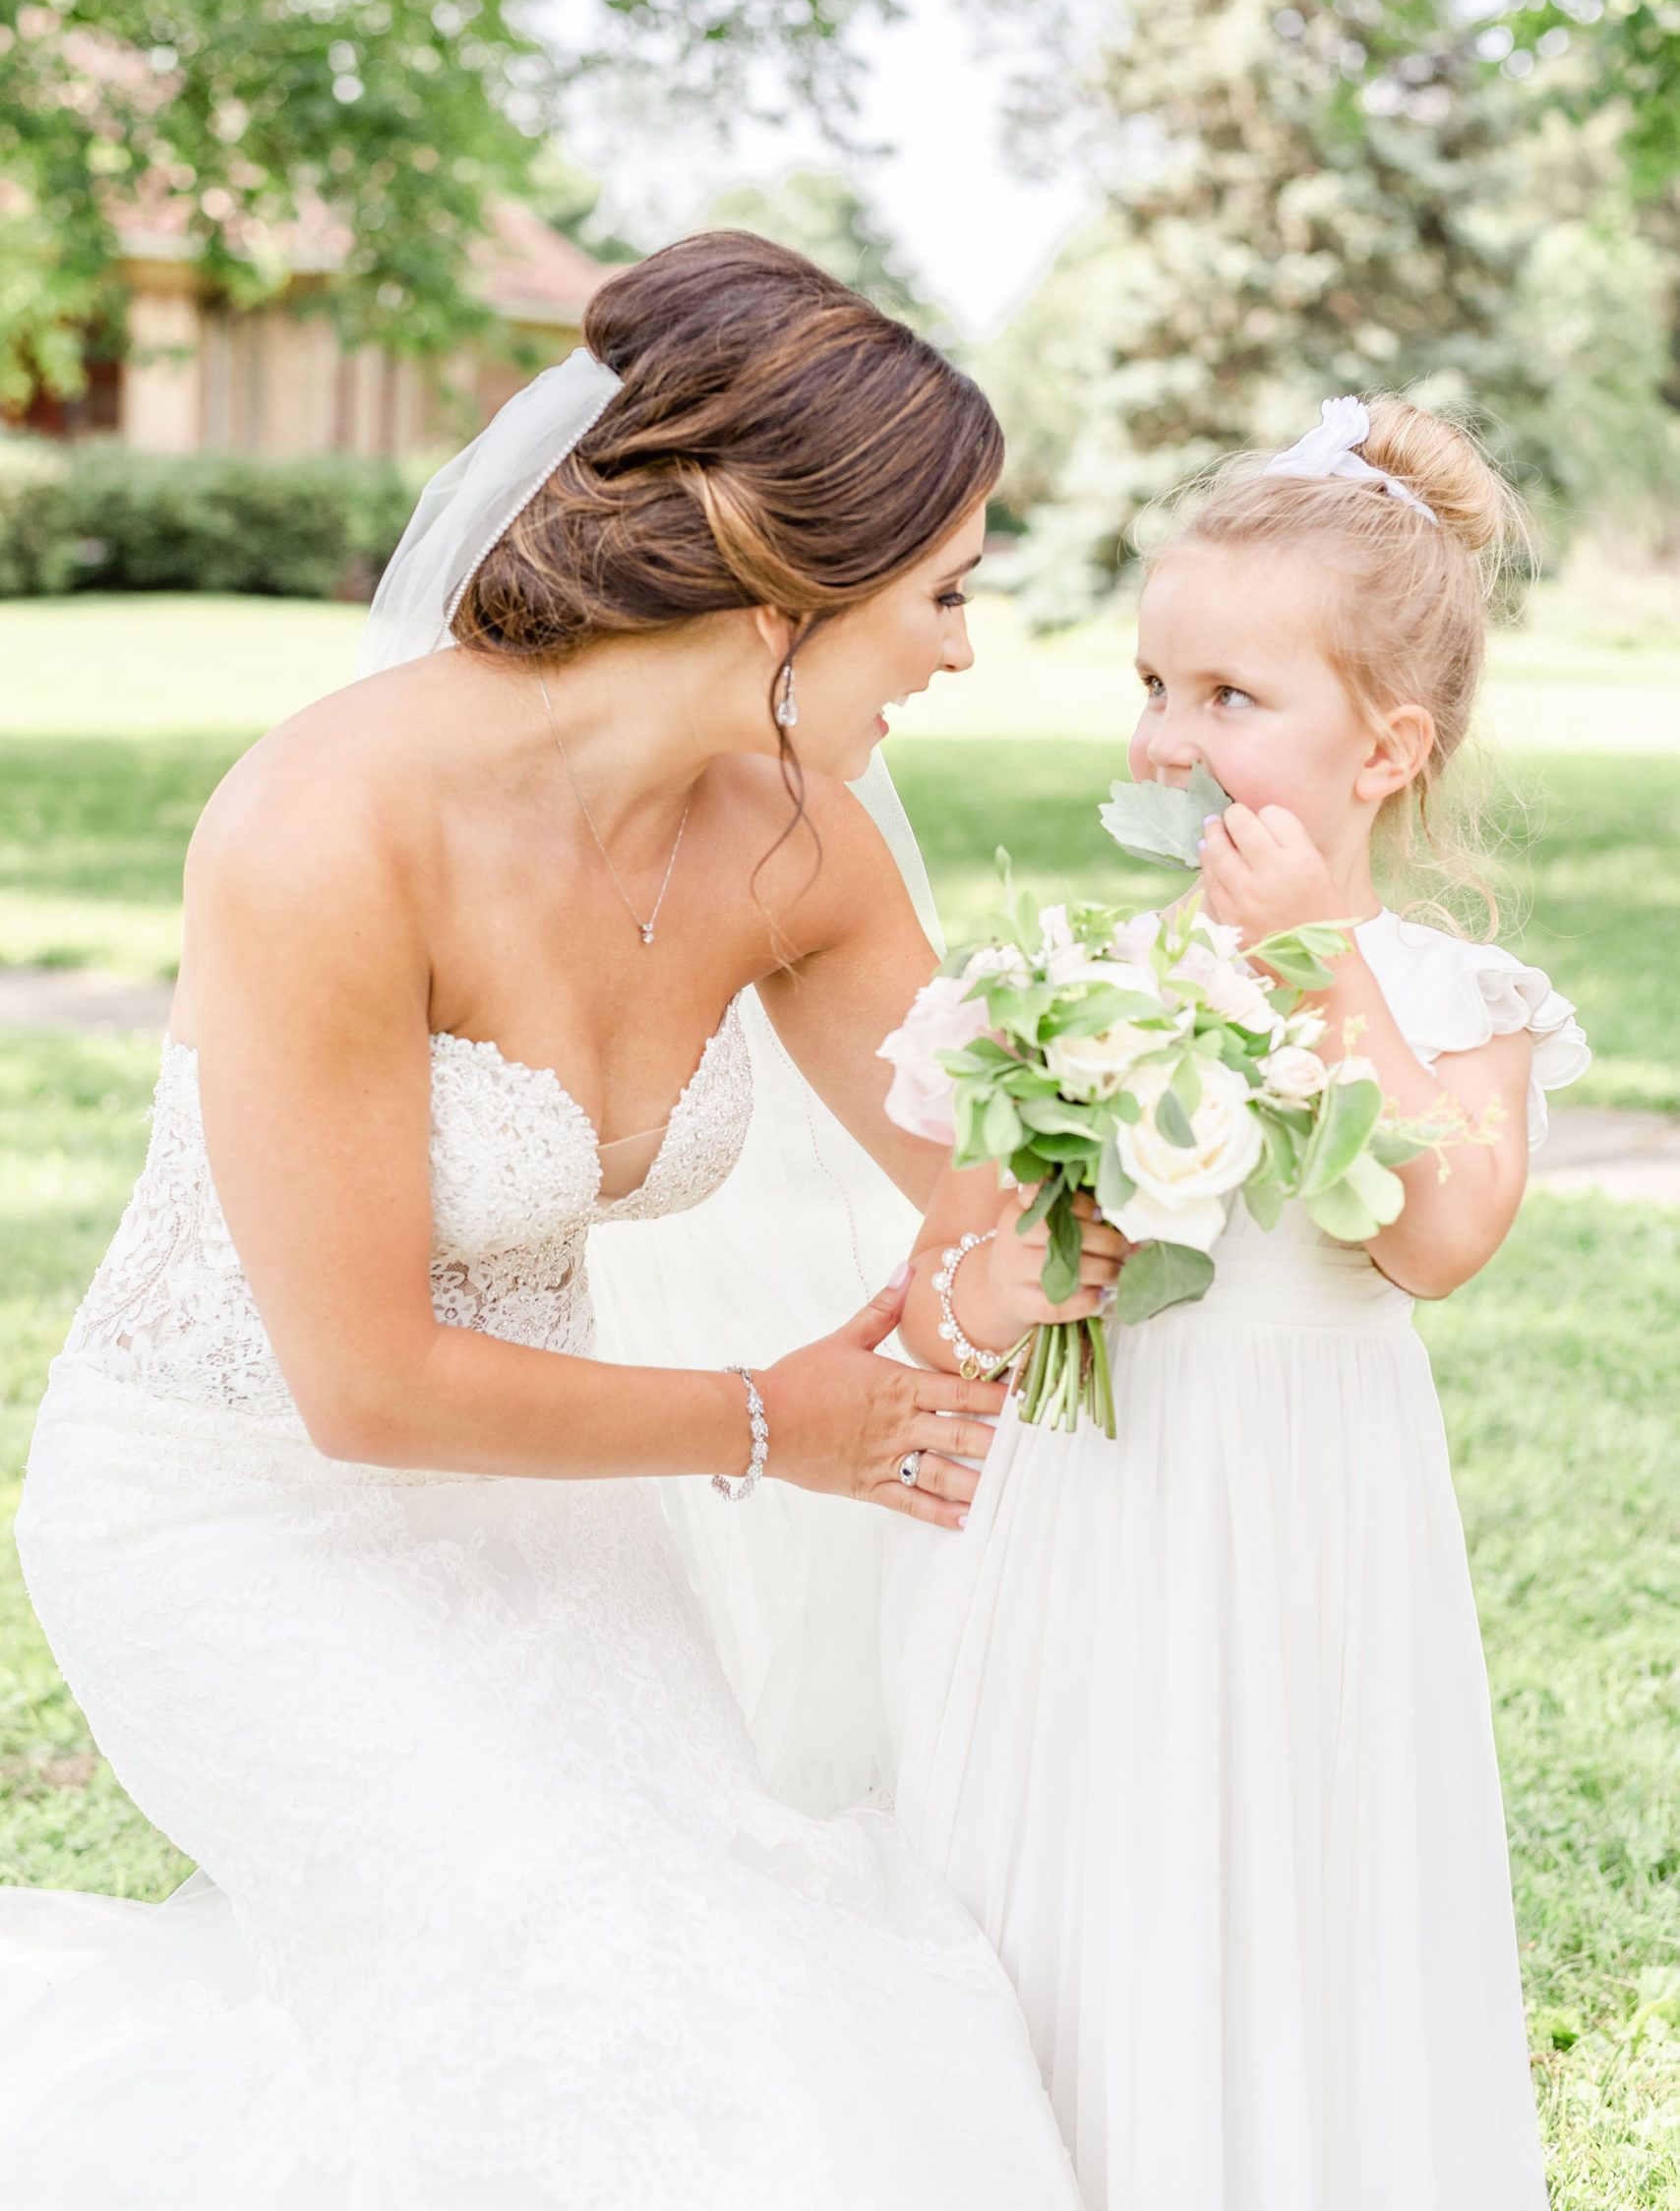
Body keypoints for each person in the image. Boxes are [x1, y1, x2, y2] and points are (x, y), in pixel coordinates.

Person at [0, 234, 1098, 2207]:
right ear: (788, 583)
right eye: (941, 591)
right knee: (587, 1960)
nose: (957, 646)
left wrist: (1209, 1104)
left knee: (750, 1942)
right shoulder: (324, 827)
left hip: (546, 1511)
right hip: (231, 1505)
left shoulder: (796, 844)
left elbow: (982, 1193)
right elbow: (361, 1383)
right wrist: (782, 1417)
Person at [886, 394, 1590, 2210]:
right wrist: (1014, 1280)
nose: (1170, 739)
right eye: (1153, 686)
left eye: (1230, 700)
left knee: (1292, 1867)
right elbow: (936, 1296)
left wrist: (1321, 960)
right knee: (1081, 1872)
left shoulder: (1458, 998)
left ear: (1386, 750)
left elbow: (1439, 1238)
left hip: (1307, 1523)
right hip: (1092, 1522)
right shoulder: (1067, 982)